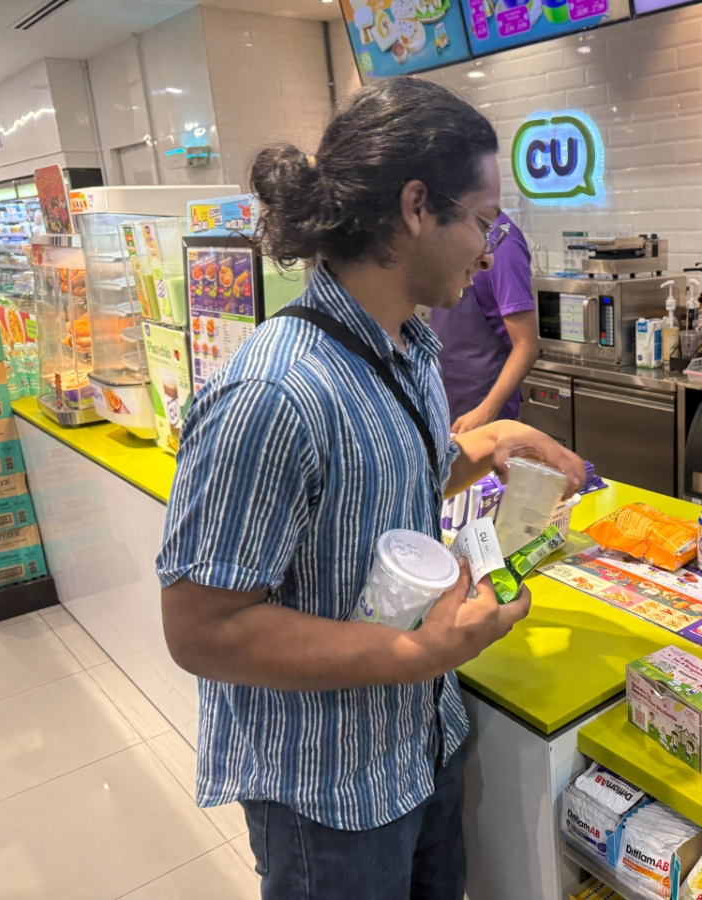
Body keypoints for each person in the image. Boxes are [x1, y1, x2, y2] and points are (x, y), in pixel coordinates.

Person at [155, 78, 584, 900]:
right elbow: (201, 628)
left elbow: (387, 484)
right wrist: (415, 652)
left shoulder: (410, 344)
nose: (490, 252)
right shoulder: (275, 393)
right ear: (418, 206)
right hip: (329, 794)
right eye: (483, 222)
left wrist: (485, 442)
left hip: (421, 741)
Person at [429, 213, 540, 434]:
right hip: (447, 393)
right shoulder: (455, 233)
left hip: (481, 401)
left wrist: (486, 411)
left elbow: (526, 345)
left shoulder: (503, 244)